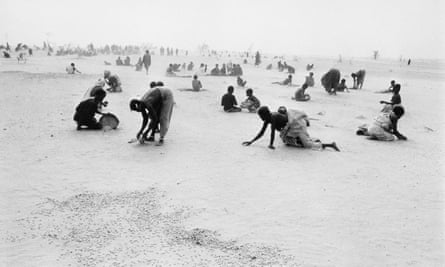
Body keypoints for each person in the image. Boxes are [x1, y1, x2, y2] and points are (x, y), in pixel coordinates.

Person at [242, 106, 339, 150]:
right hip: (291, 128)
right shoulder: (268, 119)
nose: (261, 118)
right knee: (289, 142)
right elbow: (262, 132)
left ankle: (330, 145)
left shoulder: (273, 117)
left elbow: (272, 132)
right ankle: (312, 140)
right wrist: (251, 141)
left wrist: (271, 144)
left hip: (297, 125)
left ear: (266, 114)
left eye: (261, 116)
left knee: (307, 145)